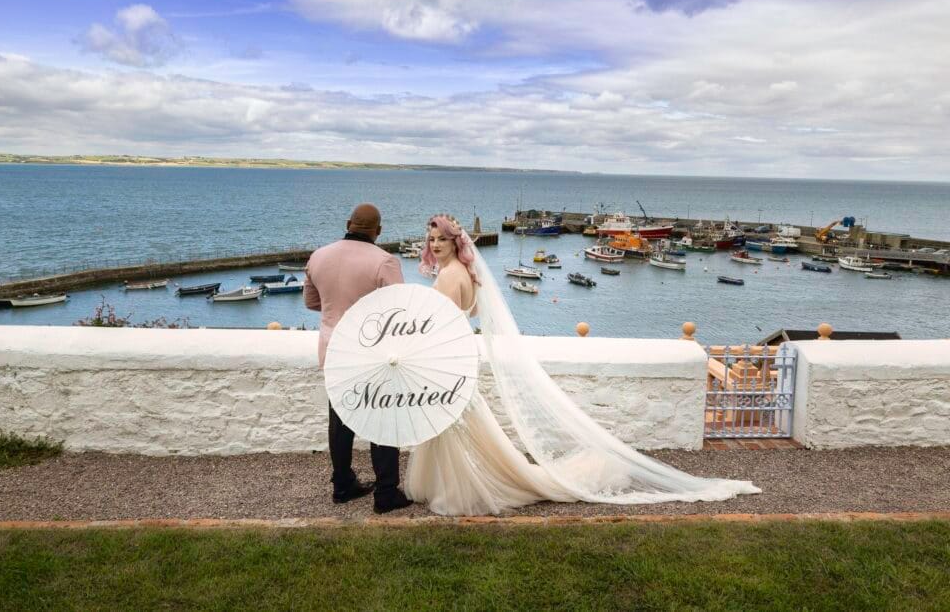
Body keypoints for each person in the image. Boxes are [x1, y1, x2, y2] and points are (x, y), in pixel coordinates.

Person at [404, 214, 761, 516]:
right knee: (460, 424)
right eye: (431, 239)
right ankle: (454, 482)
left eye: (441, 240)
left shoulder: (450, 276)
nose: (435, 245)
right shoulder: (464, 273)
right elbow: (475, 311)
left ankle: (459, 488)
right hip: (463, 353)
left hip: (450, 357)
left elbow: (443, 325)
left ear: (455, 243)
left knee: (455, 423)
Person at [304, 203, 413, 514]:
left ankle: (342, 485)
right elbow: (399, 312)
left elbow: (313, 302)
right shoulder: (384, 262)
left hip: (334, 350)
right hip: (372, 354)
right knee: (382, 420)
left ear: (348, 223)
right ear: (378, 231)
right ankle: (386, 492)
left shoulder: (319, 256)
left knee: (340, 421)